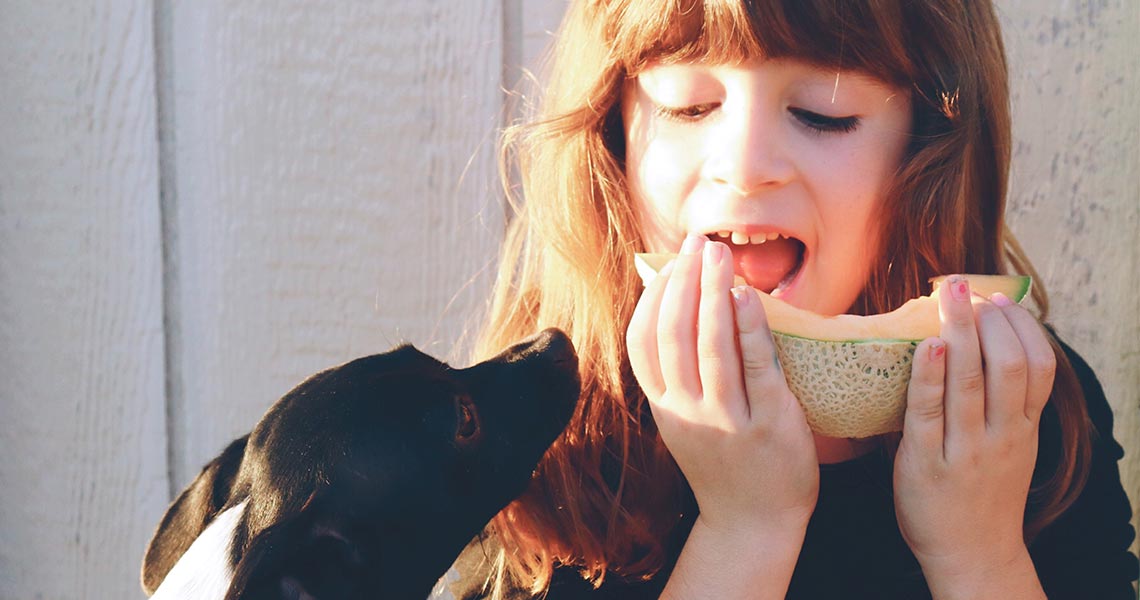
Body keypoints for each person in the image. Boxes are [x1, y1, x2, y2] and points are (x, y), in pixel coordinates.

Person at [444, 0, 1139, 598]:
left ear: (926, 143)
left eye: (823, 112)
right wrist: (746, 532)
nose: (744, 168)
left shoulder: (1024, 405)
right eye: (687, 104)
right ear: (614, 131)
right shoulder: (543, 430)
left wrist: (980, 555)